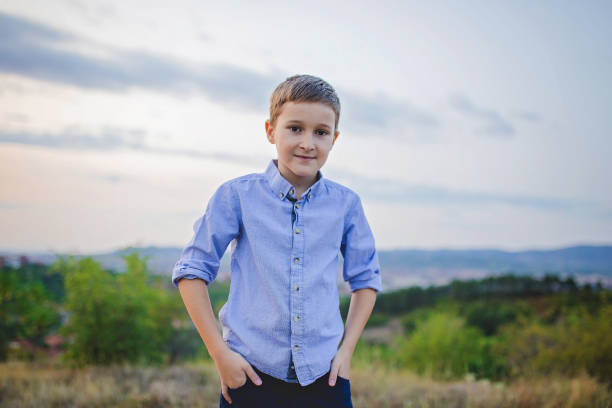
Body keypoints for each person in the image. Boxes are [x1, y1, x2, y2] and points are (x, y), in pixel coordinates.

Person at [171, 74, 382, 407]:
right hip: (251, 377)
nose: (308, 143)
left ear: (334, 139)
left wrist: (346, 352)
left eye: (321, 132)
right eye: (295, 128)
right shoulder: (236, 196)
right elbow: (191, 272)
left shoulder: (346, 204)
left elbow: (366, 279)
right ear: (271, 131)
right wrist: (220, 354)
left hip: (325, 378)